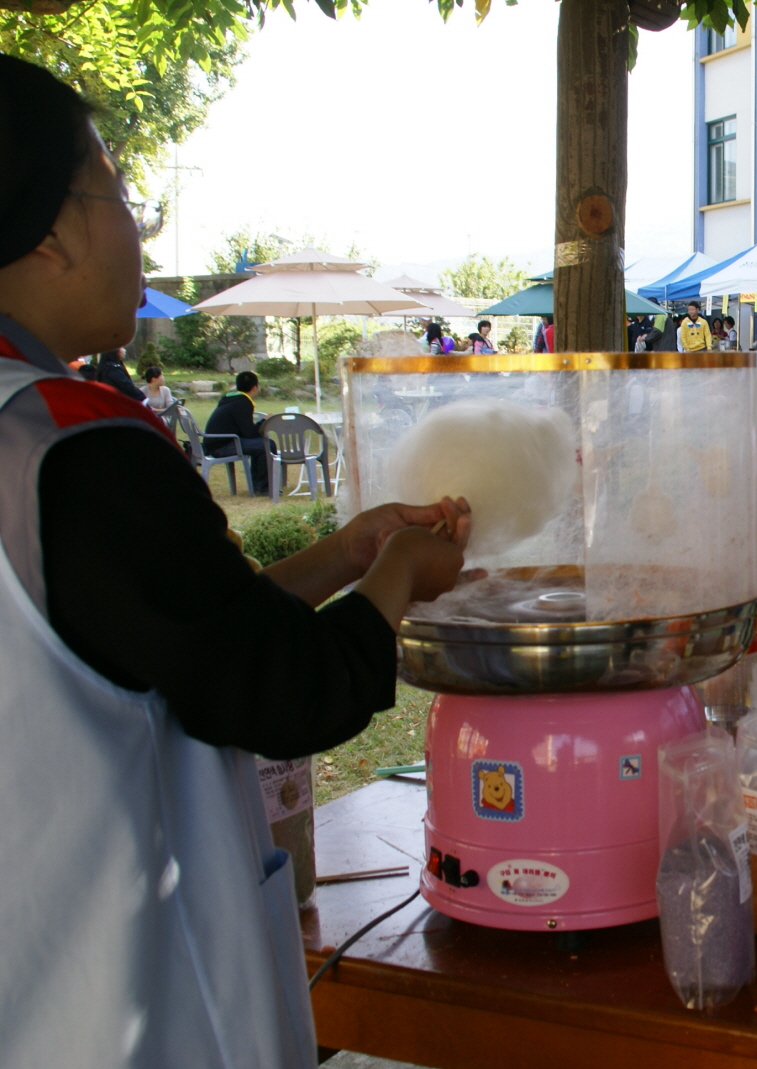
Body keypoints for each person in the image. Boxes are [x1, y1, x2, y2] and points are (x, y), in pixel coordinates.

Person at [0, 55, 469, 1067]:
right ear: (49, 229)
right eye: (117, 194)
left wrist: (345, 555)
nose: (135, 232)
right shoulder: (71, 449)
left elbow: (154, 633)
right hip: (121, 992)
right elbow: (279, 690)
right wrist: (400, 579)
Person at [205, 370, 272, 494]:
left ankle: (257, 485)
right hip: (222, 445)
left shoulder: (231, 398)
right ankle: (263, 488)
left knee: (262, 444)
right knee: (267, 445)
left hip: (215, 443)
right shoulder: (243, 402)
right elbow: (249, 433)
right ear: (254, 387)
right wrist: (263, 422)